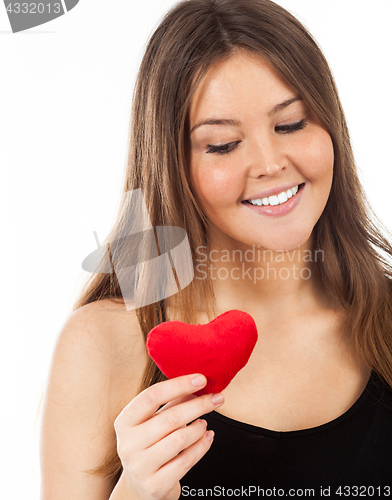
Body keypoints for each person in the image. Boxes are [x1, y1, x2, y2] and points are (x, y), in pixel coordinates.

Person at [39, 0, 392, 498]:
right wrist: (135, 493)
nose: (270, 163)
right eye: (223, 144)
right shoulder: (103, 346)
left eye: (291, 124)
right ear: (172, 164)